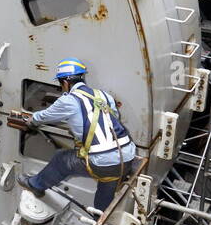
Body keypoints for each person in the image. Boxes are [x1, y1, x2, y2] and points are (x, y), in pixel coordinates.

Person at [16, 59, 137, 211]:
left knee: (62, 159)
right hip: (126, 156)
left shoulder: (68, 101)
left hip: (103, 162)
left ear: (66, 82)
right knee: (108, 181)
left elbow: (43, 116)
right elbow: (112, 119)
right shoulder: (104, 96)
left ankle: (35, 185)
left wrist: (31, 122)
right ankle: (101, 213)